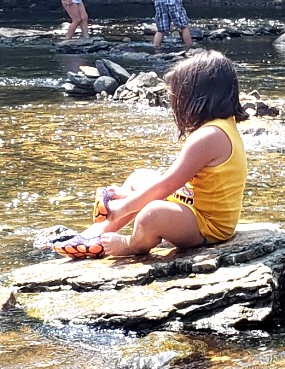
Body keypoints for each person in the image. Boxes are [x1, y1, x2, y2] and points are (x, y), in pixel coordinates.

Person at [53, 50, 248, 259]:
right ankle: (95, 235)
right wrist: (133, 198)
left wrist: (123, 208)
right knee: (140, 178)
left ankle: (131, 245)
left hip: (208, 226)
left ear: (196, 98)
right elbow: (176, 184)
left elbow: (167, 186)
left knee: (151, 214)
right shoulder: (222, 126)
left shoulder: (210, 136)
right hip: (194, 206)